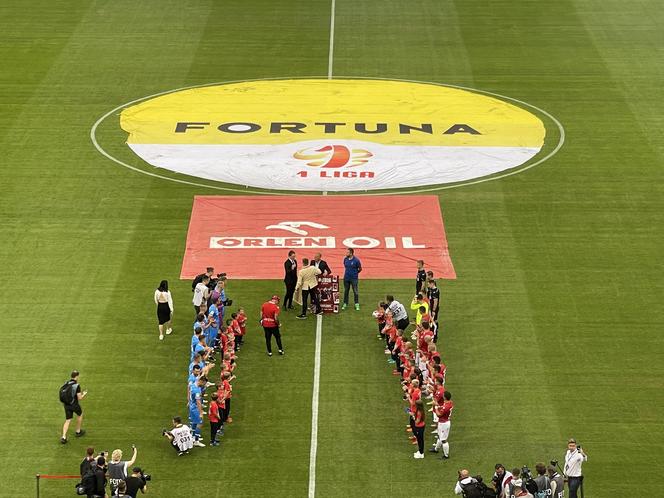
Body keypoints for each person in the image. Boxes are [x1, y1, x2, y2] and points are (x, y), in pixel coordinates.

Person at [60, 370, 87, 444]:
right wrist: (84, 394)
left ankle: (63, 437)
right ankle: (78, 431)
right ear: (77, 376)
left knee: (68, 420)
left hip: (66, 405)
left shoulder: (66, 383)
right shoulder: (76, 385)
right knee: (80, 414)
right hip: (74, 404)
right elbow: (79, 398)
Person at [429, 390, 453, 459]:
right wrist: (438, 405)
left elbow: (439, 415)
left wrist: (435, 407)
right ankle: (436, 449)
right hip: (443, 422)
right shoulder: (449, 403)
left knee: (443, 440)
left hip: (444, 424)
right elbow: (443, 407)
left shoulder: (446, 407)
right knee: (439, 436)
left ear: (445, 397)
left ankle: (446, 455)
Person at [188, 376, 206, 446]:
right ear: (201, 381)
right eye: (204, 383)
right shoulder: (197, 390)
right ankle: (196, 440)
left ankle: (192, 436)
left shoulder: (193, 384)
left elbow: (188, 389)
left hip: (191, 406)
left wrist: (189, 401)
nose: (204, 385)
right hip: (195, 408)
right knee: (200, 423)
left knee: (194, 422)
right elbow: (198, 402)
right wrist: (201, 412)